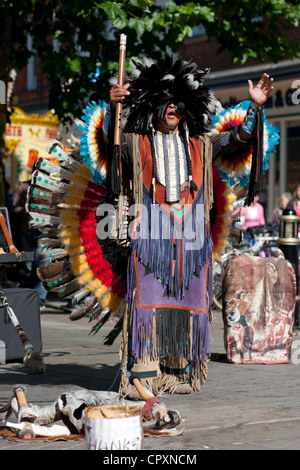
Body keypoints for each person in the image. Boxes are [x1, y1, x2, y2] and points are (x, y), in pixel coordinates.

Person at [103, 57, 275, 398]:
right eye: (164, 101)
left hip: (192, 237)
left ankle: (177, 371)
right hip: (151, 234)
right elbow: (113, 147)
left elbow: (238, 139)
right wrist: (114, 108)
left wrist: (255, 108)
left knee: (187, 299)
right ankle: (144, 374)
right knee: (149, 301)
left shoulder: (201, 143)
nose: (172, 108)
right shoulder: (139, 143)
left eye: (178, 103)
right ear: (153, 107)